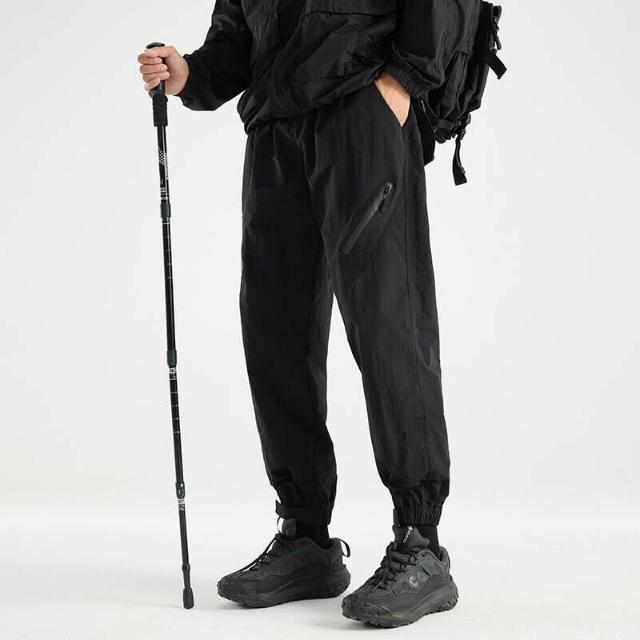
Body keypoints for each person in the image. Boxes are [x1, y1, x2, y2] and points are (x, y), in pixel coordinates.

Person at [138, 0, 457, 627]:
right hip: (275, 129)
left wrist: (402, 83)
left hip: (360, 114)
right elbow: (237, 37)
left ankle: (421, 542)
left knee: (388, 325)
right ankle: (306, 535)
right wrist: (188, 75)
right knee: (274, 331)